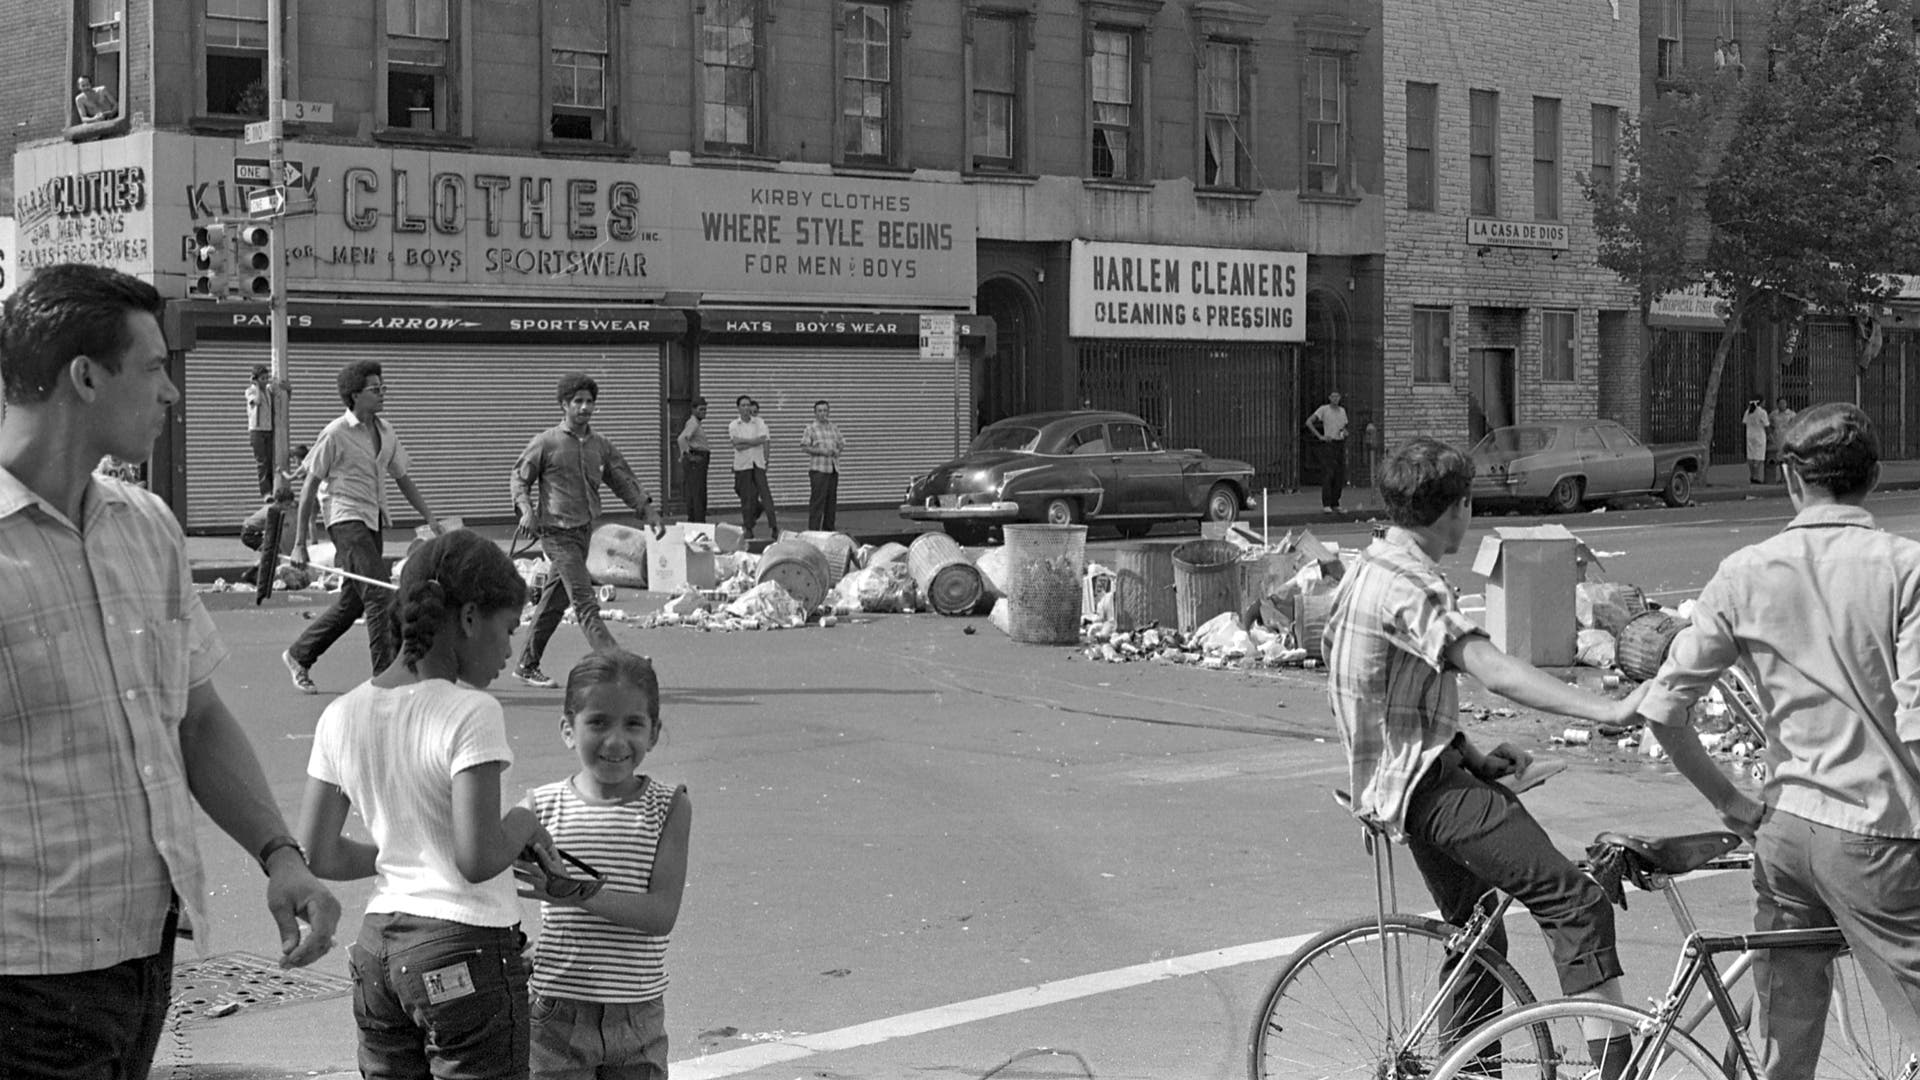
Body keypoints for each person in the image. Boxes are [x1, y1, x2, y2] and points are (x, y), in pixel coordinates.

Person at [0, 263, 338, 1080]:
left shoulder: (144, 526)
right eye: (154, 368)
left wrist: (280, 853)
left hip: (146, 957)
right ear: (85, 378)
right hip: (20, 982)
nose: (173, 394)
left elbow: (195, 716)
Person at [1325, 437, 1650, 1080]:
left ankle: (1469, 1072)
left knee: (1478, 930)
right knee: (1576, 901)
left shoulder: (1368, 566)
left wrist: (1472, 754)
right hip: (1427, 790)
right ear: (1457, 508)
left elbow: (1389, 690)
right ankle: (1613, 1072)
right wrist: (1608, 711)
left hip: (1403, 780)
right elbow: (1492, 670)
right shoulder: (1410, 583)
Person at [1639, 403, 1920, 1078]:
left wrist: (1734, 805)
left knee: (1783, 1044)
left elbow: (1664, 710)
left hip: (1786, 830)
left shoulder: (1746, 571)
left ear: (1792, 481)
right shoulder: (1905, 568)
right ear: (1874, 478)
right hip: (1877, 833)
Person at [297, 528, 550, 1080]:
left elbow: (319, 853)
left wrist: (399, 851)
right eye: (507, 630)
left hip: (378, 957)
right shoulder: (470, 711)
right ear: (467, 618)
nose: (510, 649)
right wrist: (526, 819)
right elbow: (479, 857)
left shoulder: (341, 713)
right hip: (466, 950)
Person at [520, 650, 691, 1080]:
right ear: (567, 729)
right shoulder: (539, 807)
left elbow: (660, 915)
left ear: (654, 733)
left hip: (637, 1017)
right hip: (556, 1013)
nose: (616, 741)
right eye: (597, 722)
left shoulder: (669, 806)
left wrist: (572, 893)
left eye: (633, 724)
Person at [285, 359, 444, 693]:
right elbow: (310, 487)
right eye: (375, 389)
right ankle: (385, 678)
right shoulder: (335, 434)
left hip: (373, 518)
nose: (382, 393)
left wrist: (429, 516)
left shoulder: (386, 432)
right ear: (354, 395)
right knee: (379, 592)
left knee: (354, 601)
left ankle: (300, 654)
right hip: (344, 518)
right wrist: (300, 542)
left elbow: (403, 478)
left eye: (383, 387)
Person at [509, 371, 663, 690]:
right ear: (563, 405)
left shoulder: (599, 446)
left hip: (583, 533)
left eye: (589, 402)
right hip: (556, 532)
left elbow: (622, 478)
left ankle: (526, 664)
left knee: (553, 602)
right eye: (577, 401)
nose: (584, 407)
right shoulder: (546, 442)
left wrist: (646, 510)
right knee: (584, 599)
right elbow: (519, 478)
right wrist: (525, 510)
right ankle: (618, 664)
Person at [728, 394, 779, 542]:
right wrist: (753, 442)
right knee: (746, 497)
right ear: (738, 408)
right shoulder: (733, 425)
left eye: (748, 405)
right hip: (743, 465)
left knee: (765, 493)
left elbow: (762, 439)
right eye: (743, 405)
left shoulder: (759, 422)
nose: (746, 408)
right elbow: (736, 445)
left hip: (758, 462)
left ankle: (774, 526)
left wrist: (746, 443)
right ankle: (748, 527)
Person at [801, 398, 847, 532]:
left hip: (832, 468)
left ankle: (829, 530)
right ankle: (814, 530)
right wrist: (821, 451)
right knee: (817, 502)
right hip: (818, 469)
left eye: (825, 410)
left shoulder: (833, 427)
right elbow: (804, 447)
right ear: (815, 413)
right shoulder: (811, 428)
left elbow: (841, 442)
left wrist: (838, 451)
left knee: (831, 502)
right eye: (820, 411)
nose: (823, 413)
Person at [1305, 390, 1350, 513]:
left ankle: (1336, 502)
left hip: (1339, 442)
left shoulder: (1342, 411)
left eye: (1337, 396)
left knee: (1339, 474)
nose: (1335, 399)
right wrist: (1320, 436)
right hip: (1329, 443)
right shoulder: (1323, 409)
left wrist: (1345, 432)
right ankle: (1327, 503)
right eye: (1333, 396)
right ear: (1329, 398)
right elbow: (1309, 422)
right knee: (1328, 473)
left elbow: (1344, 427)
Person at [677, 396, 711, 524]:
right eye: (701, 409)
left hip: (698, 460)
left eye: (705, 409)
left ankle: (695, 520)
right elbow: (682, 439)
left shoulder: (695, 423)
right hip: (697, 461)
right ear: (693, 410)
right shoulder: (693, 423)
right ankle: (698, 521)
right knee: (698, 493)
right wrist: (687, 455)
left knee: (696, 492)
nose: (703, 412)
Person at [246, 364, 278, 498]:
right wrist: (257, 387)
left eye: (267, 378)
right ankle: (265, 492)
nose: (265, 381)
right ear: (256, 379)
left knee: (271, 460)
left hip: (268, 429)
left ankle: (273, 488)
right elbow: (257, 402)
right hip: (257, 430)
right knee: (262, 462)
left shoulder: (269, 390)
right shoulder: (251, 391)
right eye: (262, 379)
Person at [1767, 396, 1796, 484]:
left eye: (1784, 403)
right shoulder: (1773, 414)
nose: (1782, 405)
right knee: (1780, 460)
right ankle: (1782, 477)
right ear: (1777, 404)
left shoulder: (1791, 414)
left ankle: (1789, 478)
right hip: (1777, 439)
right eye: (1780, 403)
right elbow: (1769, 425)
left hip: (1788, 439)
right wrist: (1770, 436)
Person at [1743, 398, 1770, 484]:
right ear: (1761, 402)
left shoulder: (1748, 411)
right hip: (1759, 435)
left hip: (1749, 435)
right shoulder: (1762, 412)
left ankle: (1752, 475)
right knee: (1759, 456)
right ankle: (1756, 475)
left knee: (1751, 455)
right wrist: (1770, 435)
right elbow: (1766, 425)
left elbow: (1744, 422)